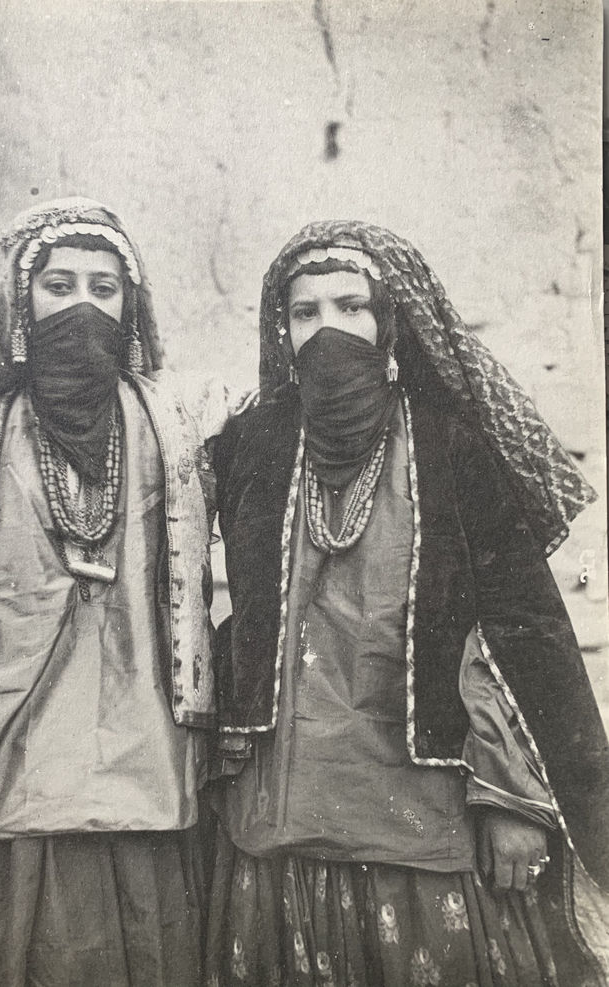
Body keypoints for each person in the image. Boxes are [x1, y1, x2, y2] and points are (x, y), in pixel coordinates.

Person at [206, 221, 609, 986]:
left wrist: (513, 798)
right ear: (281, 331)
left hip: (425, 821)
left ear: (390, 323)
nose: (327, 329)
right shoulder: (251, 446)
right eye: (304, 312)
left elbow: (521, 629)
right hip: (282, 824)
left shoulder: (449, 444)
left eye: (350, 306)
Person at [0, 197, 243, 987]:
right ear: (21, 307)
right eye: (59, 285)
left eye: (104, 290)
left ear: (131, 309)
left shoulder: (178, 427)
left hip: (141, 764)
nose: (82, 307)